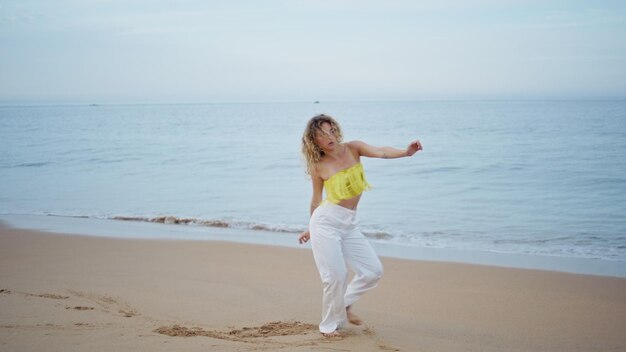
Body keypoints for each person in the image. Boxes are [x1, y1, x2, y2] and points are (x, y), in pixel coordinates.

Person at [298, 114, 422, 337]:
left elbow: (382, 151)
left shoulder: (353, 148)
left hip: (348, 223)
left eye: (331, 131)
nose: (329, 136)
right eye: (322, 135)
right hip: (325, 223)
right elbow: (316, 199)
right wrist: (311, 227)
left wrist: (406, 152)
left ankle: (343, 305)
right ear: (313, 141)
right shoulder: (318, 166)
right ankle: (328, 327)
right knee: (335, 276)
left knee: (373, 271)